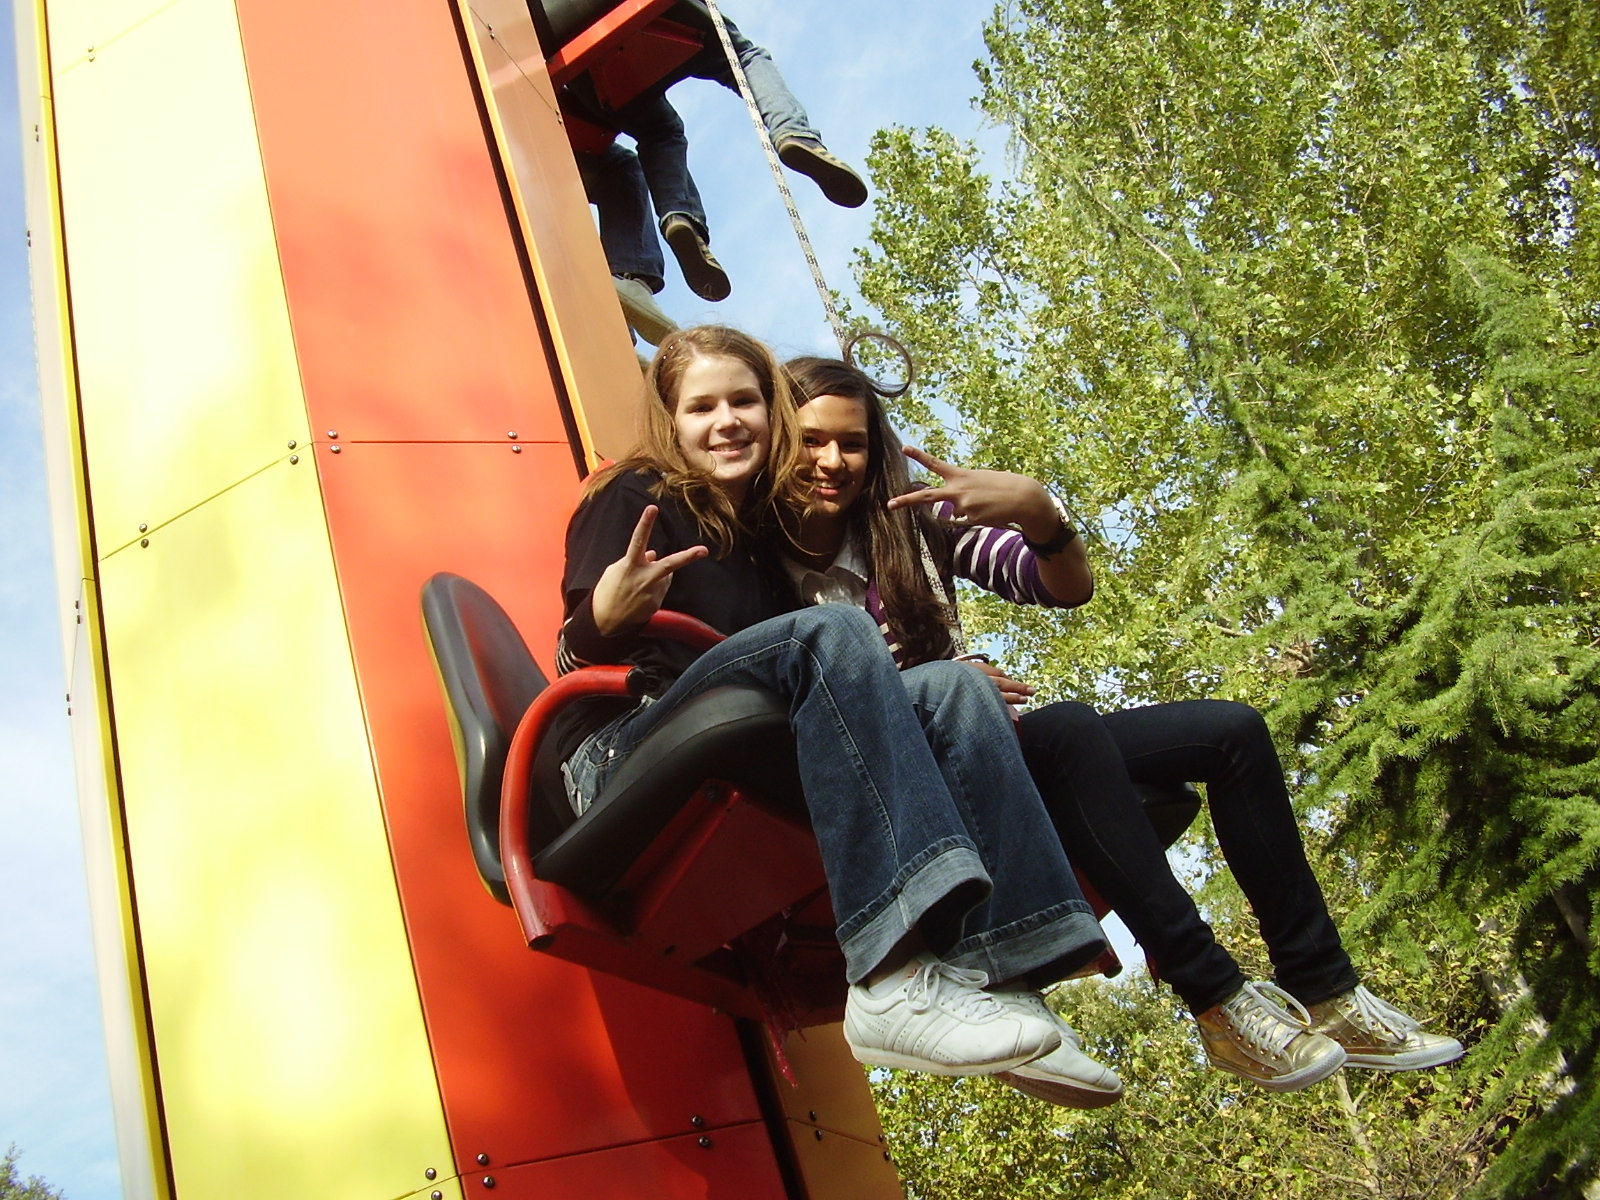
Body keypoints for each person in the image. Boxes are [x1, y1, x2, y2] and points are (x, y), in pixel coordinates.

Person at [781, 352, 1467, 1093]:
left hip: (994, 742)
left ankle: (1325, 988)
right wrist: (935, 684)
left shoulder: (911, 524)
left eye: (851, 443)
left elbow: (1064, 586)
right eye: (812, 440)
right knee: (1069, 730)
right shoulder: (767, 562)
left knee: (1232, 734)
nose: (832, 461)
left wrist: (1040, 514)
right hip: (917, 777)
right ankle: (1216, 997)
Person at [552, 326, 1122, 1105]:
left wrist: (1030, 521)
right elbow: (573, 660)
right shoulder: (637, 497)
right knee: (836, 630)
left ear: (773, 412)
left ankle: (1006, 973)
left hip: (725, 741)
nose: (727, 421)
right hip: (620, 755)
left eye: (744, 401)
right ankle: (889, 974)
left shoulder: (759, 536)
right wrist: (601, 620)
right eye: (701, 408)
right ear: (671, 422)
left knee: (954, 689)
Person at [551, 2, 865, 305]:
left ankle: (677, 219)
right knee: (744, 56)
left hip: (560, 35)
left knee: (658, 130)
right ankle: (793, 133)